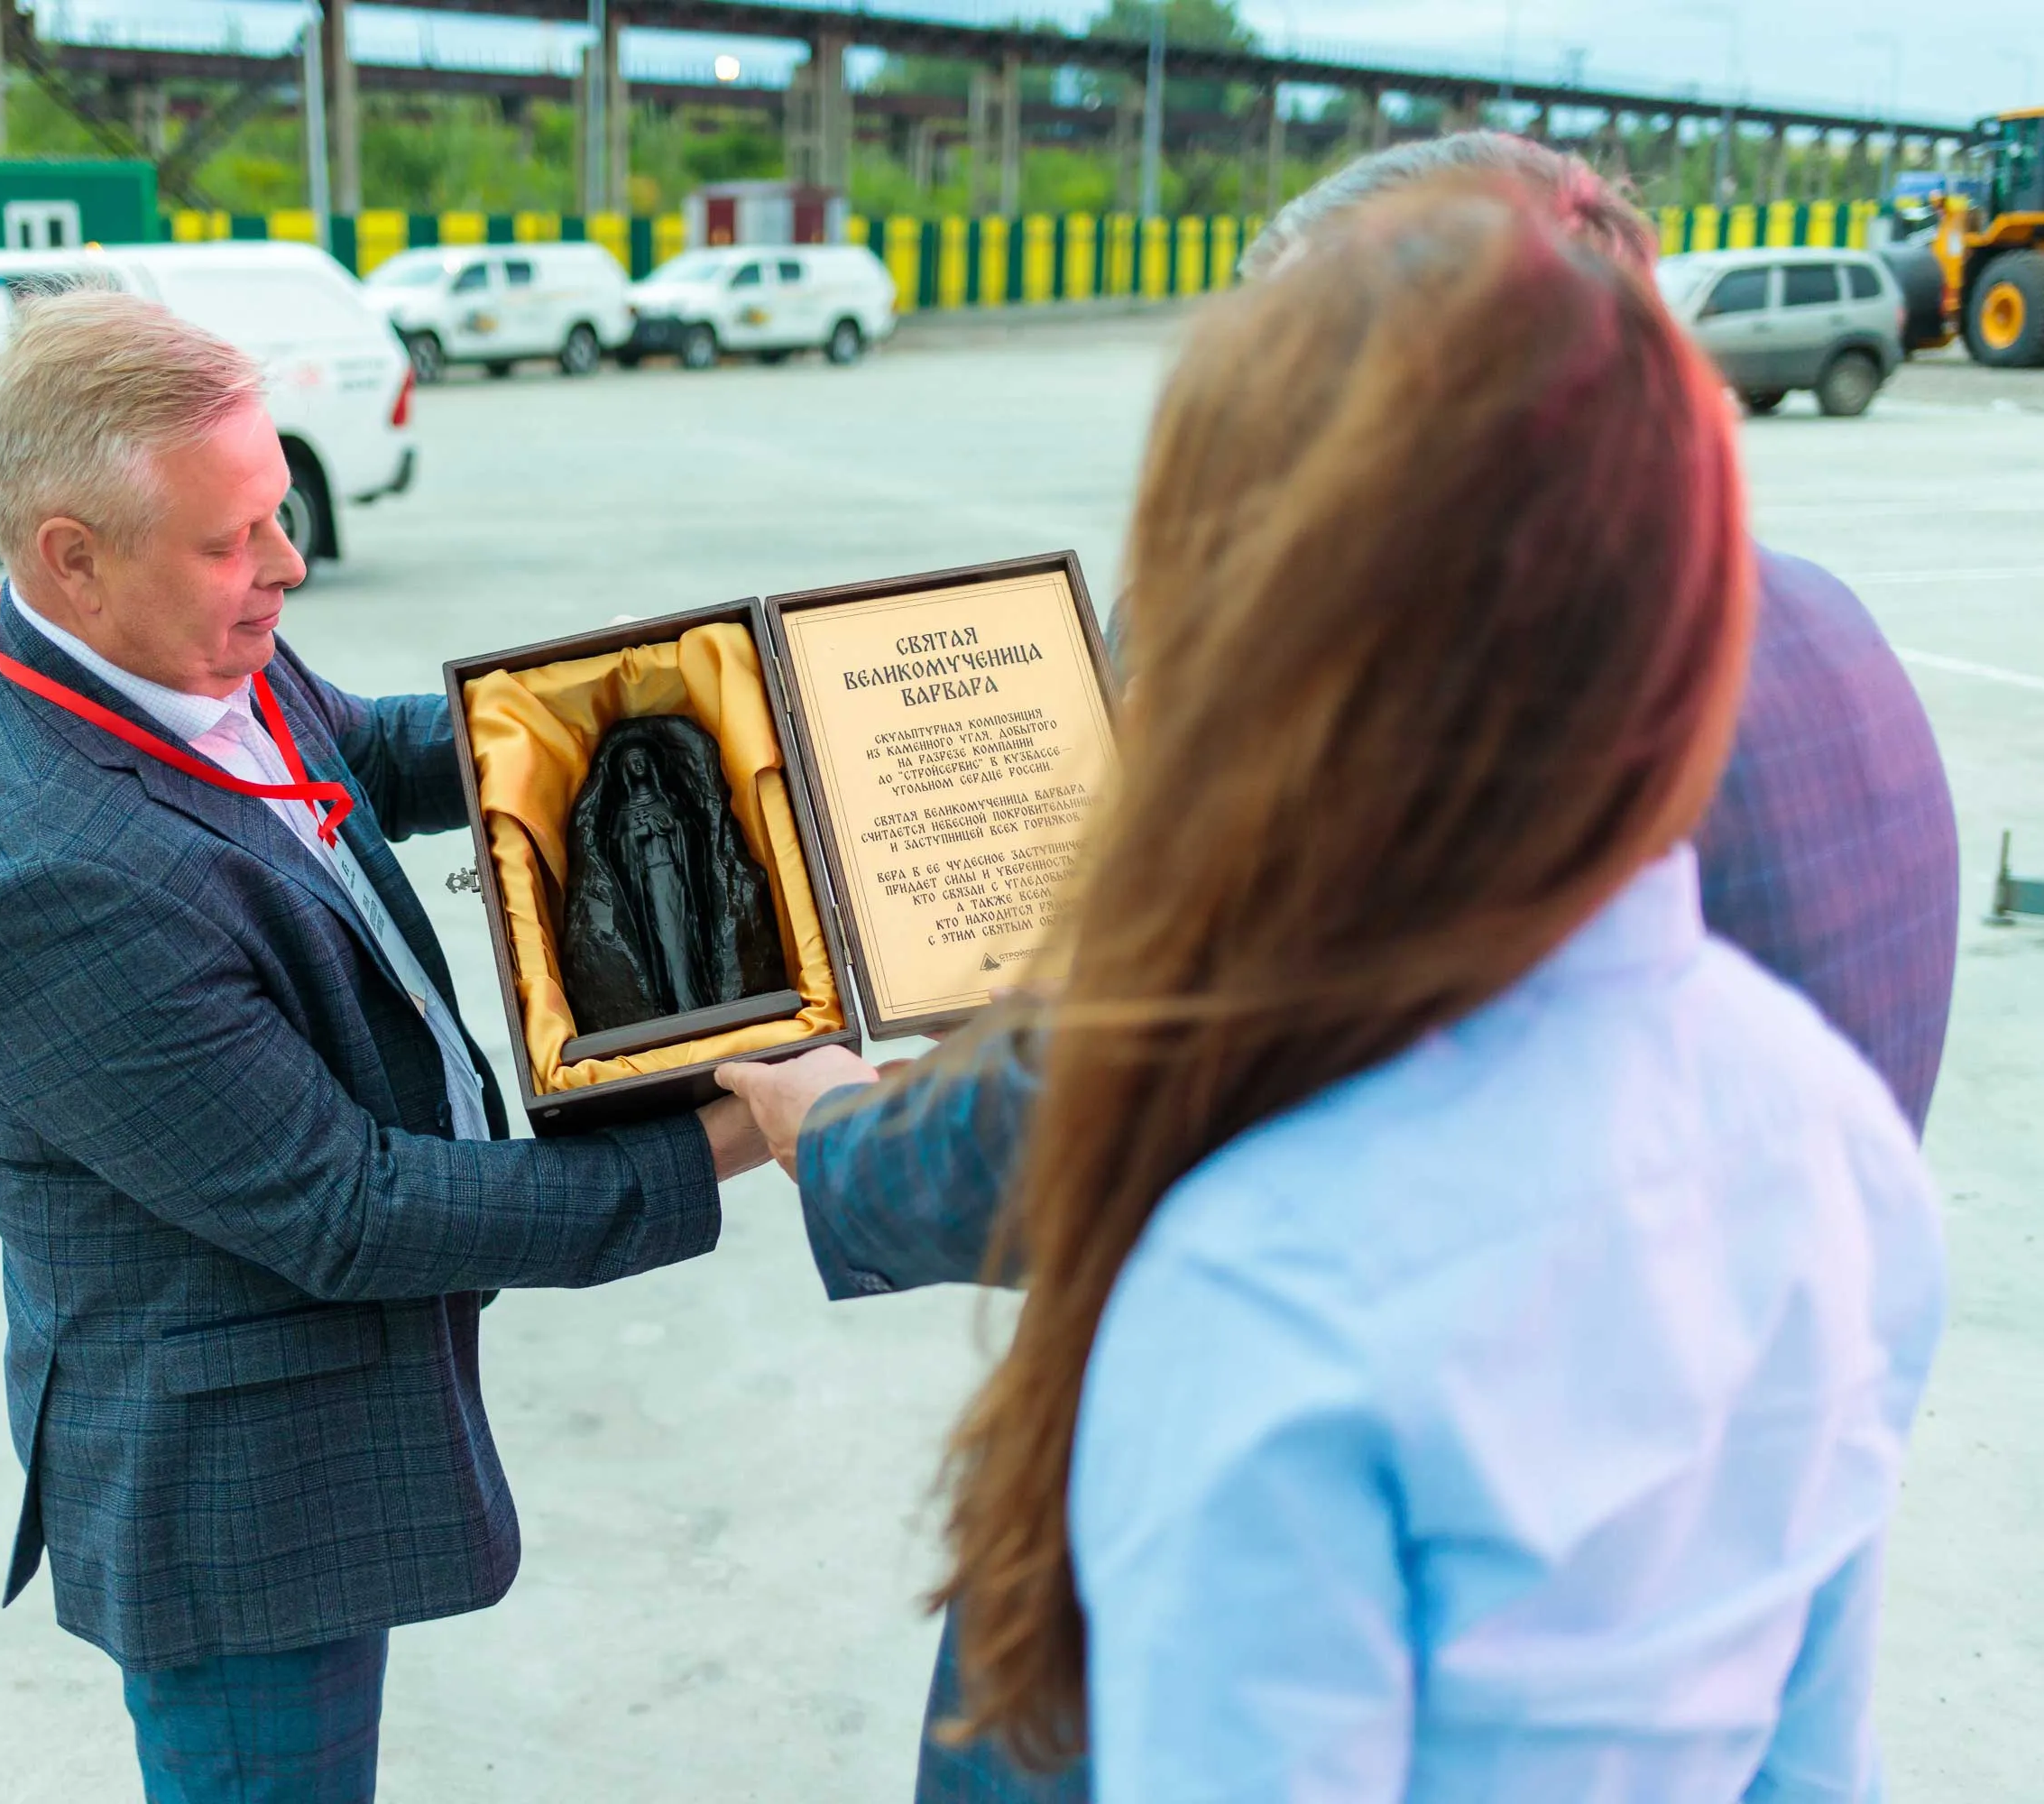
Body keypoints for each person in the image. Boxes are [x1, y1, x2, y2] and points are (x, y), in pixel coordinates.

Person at [720, 132, 1960, 1803]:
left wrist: (846, 1123)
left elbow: (1109, 1100)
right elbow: (1816, 1757)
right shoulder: (1823, 1122)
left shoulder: (1274, 1284)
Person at [0, 290, 764, 1804]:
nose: (286, 566)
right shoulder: (51, 882)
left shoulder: (165, 647)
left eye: (279, 515)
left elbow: (350, 747)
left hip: (313, 1396)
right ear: (70, 556)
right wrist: (731, 1136)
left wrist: (637, 703)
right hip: (239, 1494)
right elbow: (348, 1208)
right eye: (232, 540)